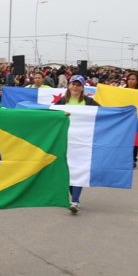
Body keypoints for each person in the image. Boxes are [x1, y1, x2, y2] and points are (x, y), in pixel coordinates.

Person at [55, 75, 97, 214]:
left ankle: (75, 200)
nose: (75, 87)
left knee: (79, 169)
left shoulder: (89, 102)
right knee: (67, 169)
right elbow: (51, 116)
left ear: (82, 87)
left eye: (78, 85)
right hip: (65, 140)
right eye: (73, 84)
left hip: (82, 142)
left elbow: (102, 115)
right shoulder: (61, 102)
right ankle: (74, 194)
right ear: (69, 85)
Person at [125, 72, 138, 167]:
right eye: (129, 79)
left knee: (135, 139)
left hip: (137, 118)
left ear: (137, 81)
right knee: (124, 139)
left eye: (133, 79)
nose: (131, 81)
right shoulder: (122, 92)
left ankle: (133, 159)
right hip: (125, 118)